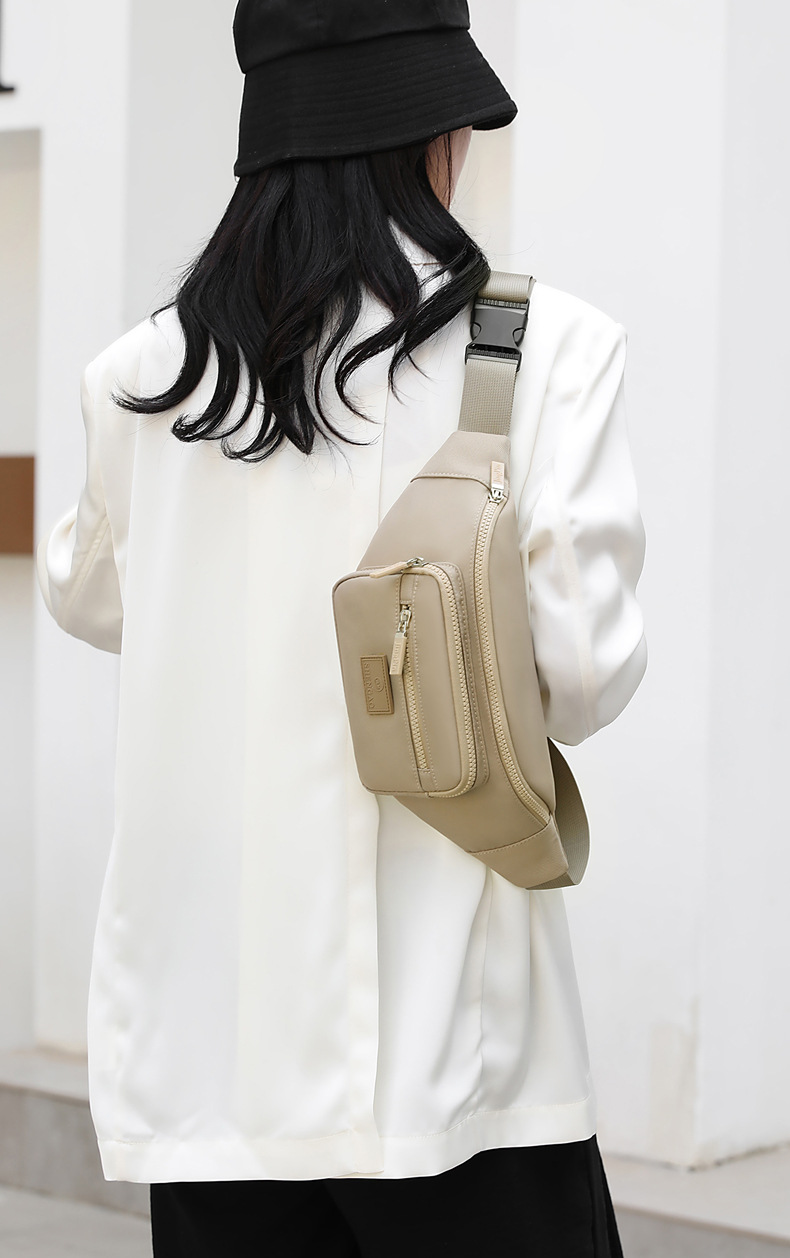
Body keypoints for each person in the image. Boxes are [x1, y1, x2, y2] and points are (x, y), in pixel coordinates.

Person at [37, 2, 647, 1254]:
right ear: (435, 131)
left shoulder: (144, 379)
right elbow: (582, 676)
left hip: (216, 1074)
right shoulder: (544, 349)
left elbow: (87, 595)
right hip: (462, 1067)